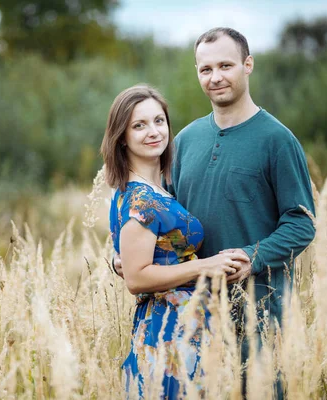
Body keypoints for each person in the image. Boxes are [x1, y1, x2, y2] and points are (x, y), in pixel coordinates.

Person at [114, 28, 316, 397]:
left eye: (226, 65)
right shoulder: (184, 141)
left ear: (248, 65)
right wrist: (121, 257)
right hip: (189, 314)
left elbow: (301, 222)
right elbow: (162, 215)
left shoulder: (277, 140)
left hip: (257, 308)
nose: (216, 77)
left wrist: (253, 257)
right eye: (206, 69)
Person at [101, 84, 249, 398]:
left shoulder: (156, 191)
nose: (153, 131)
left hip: (184, 329)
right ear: (121, 137)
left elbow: (150, 256)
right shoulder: (140, 197)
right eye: (138, 125)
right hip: (167, 334)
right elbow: (138, 277)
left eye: (159, 121)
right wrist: (207, 265)